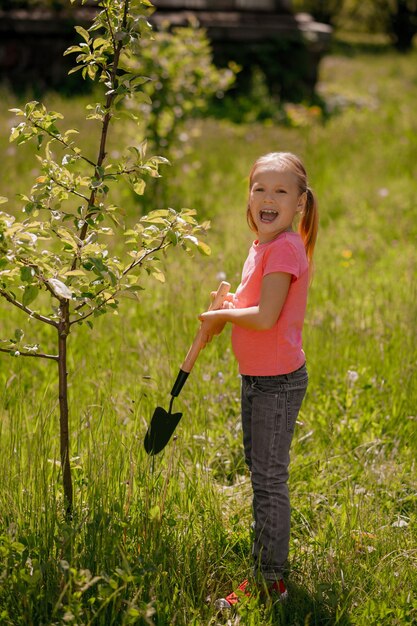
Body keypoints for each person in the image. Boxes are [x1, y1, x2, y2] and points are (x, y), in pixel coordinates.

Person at [199, 152, 319, 608]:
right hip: (258, 378)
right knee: (259, 470)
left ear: (300, 204)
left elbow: (267, 316)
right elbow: (257, 299)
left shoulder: (286, 247)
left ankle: (272, 583)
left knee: (269, 479)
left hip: (277, 381)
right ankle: (265, 567)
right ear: (248, 197)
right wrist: (229, 303)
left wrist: (221, 315)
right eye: (259, 189)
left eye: (281, 191)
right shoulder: (263, 245)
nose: (268, 199)